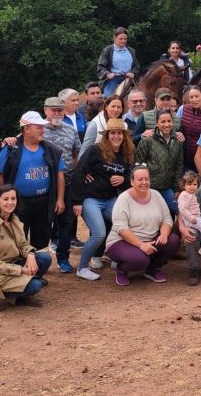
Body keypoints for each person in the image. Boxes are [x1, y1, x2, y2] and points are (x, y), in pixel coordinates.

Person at [69, 118, 133, 281]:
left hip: (110, 199)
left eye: (119, 133)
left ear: (124, 136)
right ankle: (82, 267)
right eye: (113, 133)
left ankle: (117, 257)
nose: (116, 136)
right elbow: (78, 172)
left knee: (125, 226)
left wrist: (123, 180)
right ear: (107, 135)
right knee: (99, 233)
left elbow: (129, 177)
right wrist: (77, 201)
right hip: (91, 199)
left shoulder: (126, 154)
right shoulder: (95, 150)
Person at [0, 111, 66, 250]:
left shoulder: (50, 149)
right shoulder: (11, 150)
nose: (43, 130)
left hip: (44, 202)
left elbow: (60, 174)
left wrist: (60, 199)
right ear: (26, 129)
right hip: (19, 203)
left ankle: (38, 270)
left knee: (42, 239)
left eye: (43, 126)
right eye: (38, 127)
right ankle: (20, 269)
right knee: (17, 239)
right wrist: (5, 199)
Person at [0, 185, 52, 311]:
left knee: (44, 258)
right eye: (5, 199)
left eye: (13, 198)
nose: (10, 202)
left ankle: (20, 294)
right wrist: (21, 270)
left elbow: (23, 244)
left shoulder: (14, 218)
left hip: (11, 263)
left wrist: (31, 255)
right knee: (36, 285)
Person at [104, 165, 181, 286]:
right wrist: (141, 245)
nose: (144, 182)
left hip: (150, 239)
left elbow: (167, 219)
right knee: (139, 260)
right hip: (122, 241)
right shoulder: (123, 199)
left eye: (147, 179)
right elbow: (121, 228)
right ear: (132, 182)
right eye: (140, 180)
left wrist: (164, 235)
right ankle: (122, 269)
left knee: (173, 241)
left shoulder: (156, 195)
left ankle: (152, 269)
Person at [42, 96, 82, 273]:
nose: (57, 113)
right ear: (46, 110)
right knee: (43, 223)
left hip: (67, 182)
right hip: (44, 184)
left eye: (60, 110)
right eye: (53, 110)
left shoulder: (70, 130)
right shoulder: (37, 129)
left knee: (66, 222)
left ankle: (63, 258)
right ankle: (38, 259)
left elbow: (76, 155)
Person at [135, 110, 186, 216]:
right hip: (150, 188)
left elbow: (179, 166)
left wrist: (177, 189)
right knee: (151, 216)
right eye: (163, 122)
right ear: (157, 123)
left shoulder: (177, 141)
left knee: (179, 212)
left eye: (169, 121)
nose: (166, 125)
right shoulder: (148, 140)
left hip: (167, 187)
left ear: (172, 122)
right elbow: (138, 164)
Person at [177, 171, 201, 263]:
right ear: (184, 185)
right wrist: (191, 218)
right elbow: (182, 209)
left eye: (194, 184)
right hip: (192, 219)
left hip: (195, 218)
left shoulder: (191, 195)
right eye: (189, 184)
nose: (192, 186)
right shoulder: (184, 195)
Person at [178, 87, 201, 171]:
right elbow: (174, 127)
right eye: (191, 97)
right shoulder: (182, 109)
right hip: (183, 158)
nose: (194, 99)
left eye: (196, 96)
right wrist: (178, 133)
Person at [96, 26, 140, 97]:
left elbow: (137, 66)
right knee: (108, 97)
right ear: (115, 38)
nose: (123, 41)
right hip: (114, 80)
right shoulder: (108, 50)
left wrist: (133, 73)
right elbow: (100, 67)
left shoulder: (131, 51)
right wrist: (107, 74)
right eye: (120, 39)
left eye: (125, 39)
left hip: (129, 80)